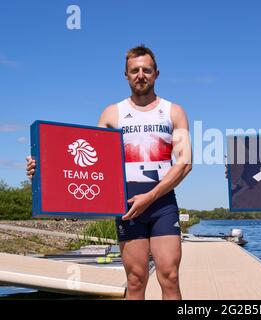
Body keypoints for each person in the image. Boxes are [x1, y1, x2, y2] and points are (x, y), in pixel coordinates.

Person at [27, 45, 192, 300]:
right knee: (136, 279)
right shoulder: (111, 113)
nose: (140, 75)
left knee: (169, 276)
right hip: (126, 204)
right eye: (134, 70)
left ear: (156, 74)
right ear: (125, 75)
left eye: (146, 70)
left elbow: (184, 163)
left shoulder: (174, 111)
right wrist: (41, 170)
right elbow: (88, 162)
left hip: (162, 202)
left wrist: (150, 197)